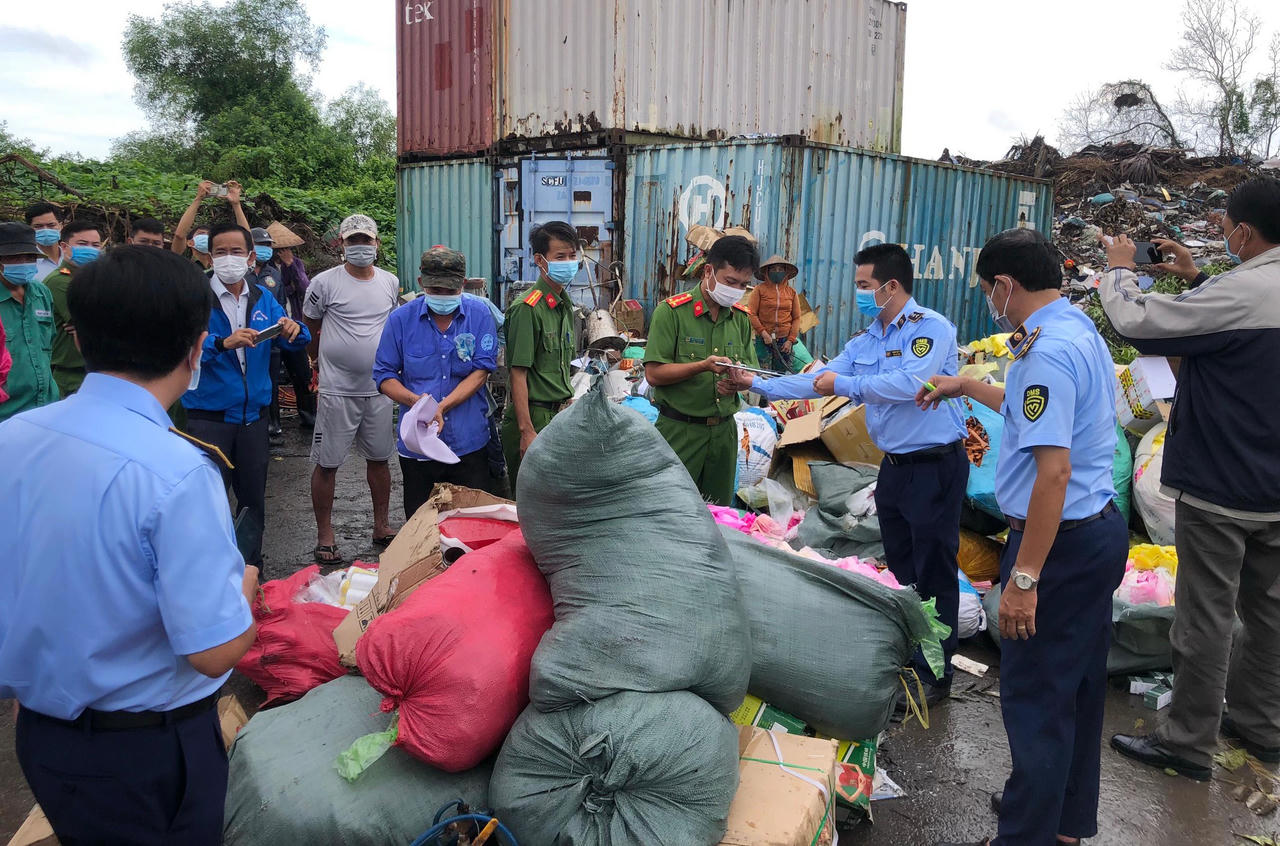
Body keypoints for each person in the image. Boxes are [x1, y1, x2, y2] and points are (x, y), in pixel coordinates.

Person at [0, 245, 258, 845]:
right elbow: (214, 652)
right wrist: (244, 589)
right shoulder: (176, 470)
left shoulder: (12, 438)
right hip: (147, 750)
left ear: (82, 342)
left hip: (41, 736)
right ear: (197, 348)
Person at [920, 228, 1126, 846]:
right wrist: (965, 386)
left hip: (1055, 545)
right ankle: (1063, 822)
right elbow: (1034, 406)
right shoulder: (1076, 329)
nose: (990, 300)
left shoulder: (1044, 351)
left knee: (1035, 699)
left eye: (988, 290)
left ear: (1005, 285)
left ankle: (1025, 836)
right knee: (1079, 688)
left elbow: (1053, 473)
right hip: (1098, 534)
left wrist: (1023, 579)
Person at [729, 242, 968, 704]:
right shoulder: (865, 340)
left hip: (935, 464)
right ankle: (909, 647)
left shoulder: (929, 329)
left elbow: (910, 384)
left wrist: (846, 384)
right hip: (894, 467)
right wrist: (755, 382)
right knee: (901, 565)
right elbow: (817, 379)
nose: (859, 293)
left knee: (934, 566)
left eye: (864, 286)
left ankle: (935, 673)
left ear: (891, 286)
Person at [1103, 177, 1280, 781]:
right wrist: (1200, 277)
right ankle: (1261, 726)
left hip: (1222, 485)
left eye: (1229, 225)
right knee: (1269, 614)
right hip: (1275, 493)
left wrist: (1122, 269)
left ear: (1245, 233)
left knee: (1205, 617)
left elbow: (1138, 323)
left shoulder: (1241, 290)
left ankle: (1186, 743)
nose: (1226, 233)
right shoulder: (1246, 288)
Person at [183, 222, 309, 569]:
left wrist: (295, 330)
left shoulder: (262, 297)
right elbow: (179, 347)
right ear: (209, 256)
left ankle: (251, 569)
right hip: (208, 419)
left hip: (253, 418)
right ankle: (208, 573)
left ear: (250, 256)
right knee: (207, 503)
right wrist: (222, 343)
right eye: (220, 252)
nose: (228, 259)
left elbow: (295, 339)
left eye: (236, 251)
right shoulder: (194, 297)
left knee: (253, 501)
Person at [302, 213, 400, 564]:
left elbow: (392, 326)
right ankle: (325, 534)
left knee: (380, 459)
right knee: (327, 463)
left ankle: (381, 525)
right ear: (341, 245)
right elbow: (310, 326)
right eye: (353, 240)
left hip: (378, 389)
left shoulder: (390, 282)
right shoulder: (323, 283)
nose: (360, 246)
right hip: (337, 390)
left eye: (366, 240)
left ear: (377, 244)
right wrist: (317, 362)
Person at [374, 246, 499, 518]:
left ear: (463, 285)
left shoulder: (479, 316)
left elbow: (481, 371)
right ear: (421, 284)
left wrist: (440, 407)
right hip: (418, 447)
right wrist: (418, 403)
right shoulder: (401, 320)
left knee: (471, 526)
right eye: (436, 290)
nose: (443, 297)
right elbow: (384, 375)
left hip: (469, 443)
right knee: (421, 529)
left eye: (450, 291)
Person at [644, 234, 758, 505]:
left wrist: (738, 382)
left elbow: (752, 373)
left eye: (743, 285)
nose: (736, 290)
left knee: (718, 517)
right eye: (730, 282)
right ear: (709, 271)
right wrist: (702, 366)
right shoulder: (671, 312)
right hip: (679, 431)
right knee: (671, 512)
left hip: (724, 435)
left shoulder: (740, 319)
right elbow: (653, 374)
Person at [500, 220, 578, 489]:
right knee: (530, 506)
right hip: (534, 418)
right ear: (540, 260)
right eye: (560, 257)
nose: (568, 262)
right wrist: (527, 431)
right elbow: (518, 373)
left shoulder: (564, 306)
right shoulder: (527, 309)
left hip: (558, 417)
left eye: (572, 256)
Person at [0, 223, 58, 422]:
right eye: (14, 257)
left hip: (46, 408)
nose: (23, 263)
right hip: (7, 415)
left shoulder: (41, 293)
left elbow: (50, 342)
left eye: (30, 257)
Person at [41, 219, 103, 397]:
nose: (90, 249)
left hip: (94, 372)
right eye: (83, 244)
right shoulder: (60, 281)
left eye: (95, 245)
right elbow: (92, 320)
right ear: (64, 246)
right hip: (69, 374)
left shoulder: (96, 280)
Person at [267, 221, 317, 428]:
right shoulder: (265, 269)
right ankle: (274, 423)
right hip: (274, 329)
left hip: (294, 324)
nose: (283, 252)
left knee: (302, 374)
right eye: (279, 249)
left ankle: (309, 417)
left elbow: (306, 288)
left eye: (286, 248)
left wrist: (290, 265)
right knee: (272, 378)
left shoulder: (296, 263)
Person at [247, 227, 286, 438]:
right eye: (261, 245)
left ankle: (274, 423)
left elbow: (280, 303)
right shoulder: (241, 274)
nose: (266, 249)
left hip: (271, 341)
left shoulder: (274, 274)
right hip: (246, 342)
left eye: (269, 245)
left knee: (272, 383)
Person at [172, 179, 250, 271]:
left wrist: (236, 205)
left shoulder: (223, 267)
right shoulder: (182, 262)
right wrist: (198, 199)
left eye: (209, 235)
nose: (206, 236)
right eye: (201, 233)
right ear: (190, 242)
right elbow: (179, 235)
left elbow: (247, 240)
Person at [747, 254, 803, 372]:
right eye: (773, 269)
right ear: (767, 272)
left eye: (780, 269)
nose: (777, 272)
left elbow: (797, 318)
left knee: (780, 374)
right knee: (763, 373)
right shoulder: (759, 290)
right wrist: (763, 333)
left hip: (784, 341)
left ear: (786, 272)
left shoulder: (791, 292)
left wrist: (790, 340)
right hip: (763, 339)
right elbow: (751, 313)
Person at [24, 201, 63, 280]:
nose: (45, 230)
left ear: (61, 226)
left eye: (51, 225)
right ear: (30, 229)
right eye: (38, 226)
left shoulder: (71, 257)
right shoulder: (25, 263)